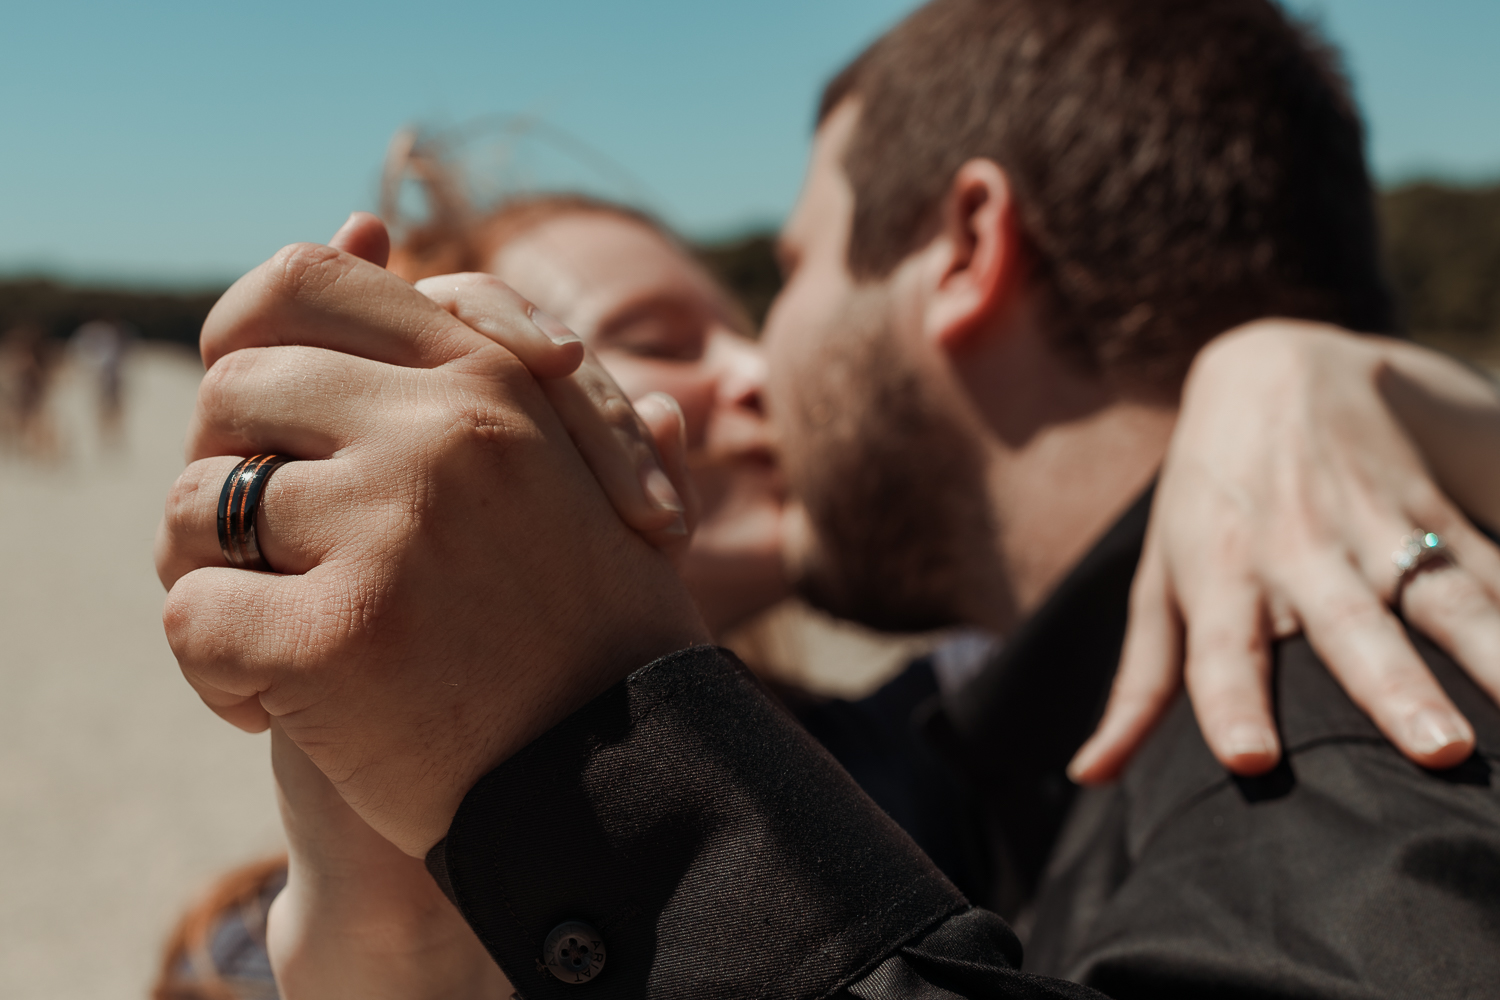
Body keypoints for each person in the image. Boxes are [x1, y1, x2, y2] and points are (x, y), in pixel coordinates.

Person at [156, 1, 1500, 997]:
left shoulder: (1327, 693)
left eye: (784, 277)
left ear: (969, 248)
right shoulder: (987, 741)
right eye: (654, 334)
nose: (763, 371)